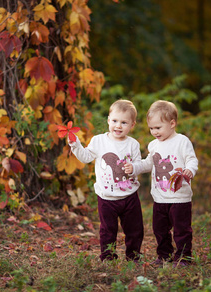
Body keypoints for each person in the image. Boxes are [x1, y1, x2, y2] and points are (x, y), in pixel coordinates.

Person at [69, 100, 144, 262]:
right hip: (107, 197)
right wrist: (76, 145)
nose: (118, 126)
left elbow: (138, 163)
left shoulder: (133, 144)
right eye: (115, 121)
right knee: (108, 230)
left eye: (124, 122)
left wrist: (134, 168)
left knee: (135, 230)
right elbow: (86, 157)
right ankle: (108, 257)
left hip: (129, 196)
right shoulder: (99, 141)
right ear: (109, 120)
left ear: (132, 125)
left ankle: (133, 256)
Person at [135, 100, 198, 267]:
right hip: (160, 197)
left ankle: (184, 257)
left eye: (158, 128)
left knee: (181, 230)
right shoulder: (154, 145)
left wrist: (190, 170)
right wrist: (134, 168)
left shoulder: (182, 141)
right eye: (151, 128)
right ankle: (164, 255)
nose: (154, 132)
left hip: (179, 198)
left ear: (172, 123)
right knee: (160, 230)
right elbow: (149, 163)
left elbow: (192, 159)